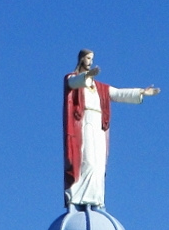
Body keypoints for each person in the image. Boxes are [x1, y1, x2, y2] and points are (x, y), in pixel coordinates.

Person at [63, 49, 160, 208]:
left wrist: (142, 92)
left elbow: (118, 93)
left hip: (99, 125)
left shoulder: (99, 88)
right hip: (84, 123)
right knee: (87, 160)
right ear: (81, 59)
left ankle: (96, 198)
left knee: (99, 163)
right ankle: (79, 196)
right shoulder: (73, 79)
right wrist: (86, 76)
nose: (90, 61)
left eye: (92, 58)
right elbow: (74, 83)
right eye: (88, 58)